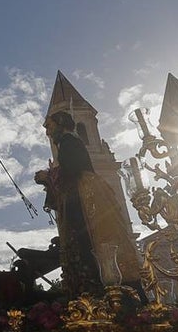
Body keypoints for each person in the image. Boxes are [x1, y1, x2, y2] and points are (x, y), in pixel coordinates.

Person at [35, 111, 141, 299]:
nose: (48, 133)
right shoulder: (68, 144)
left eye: (50, 127)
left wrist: (48, 176)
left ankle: (100, 289)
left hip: (87, 200)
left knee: (90, 242)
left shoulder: (70, 142)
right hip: (83, 197)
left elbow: (72, 170)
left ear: (61, 124)